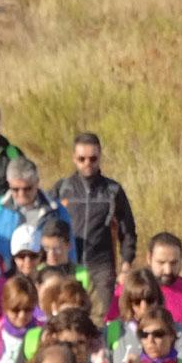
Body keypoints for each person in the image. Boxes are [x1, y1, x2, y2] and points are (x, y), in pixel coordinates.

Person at [52, 133, 136, 313]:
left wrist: (126, 266)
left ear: (100, 157)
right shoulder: (62, 189)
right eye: (81, 159)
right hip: (68, 265)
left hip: (101, 268)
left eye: (93, 158)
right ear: (74, 158)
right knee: (67, 317)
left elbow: (127, 231)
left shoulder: (113, 191)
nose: (87, 163)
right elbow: (48, 228)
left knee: (101, 320)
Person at [0, 159, 67, 269]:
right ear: (9, 184)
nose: (21, 194)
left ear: (37, 183)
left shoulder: (56, 210)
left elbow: (68, 249)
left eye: (27, 188)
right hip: (5, 278)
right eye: (16, 189)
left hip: (45, 278)